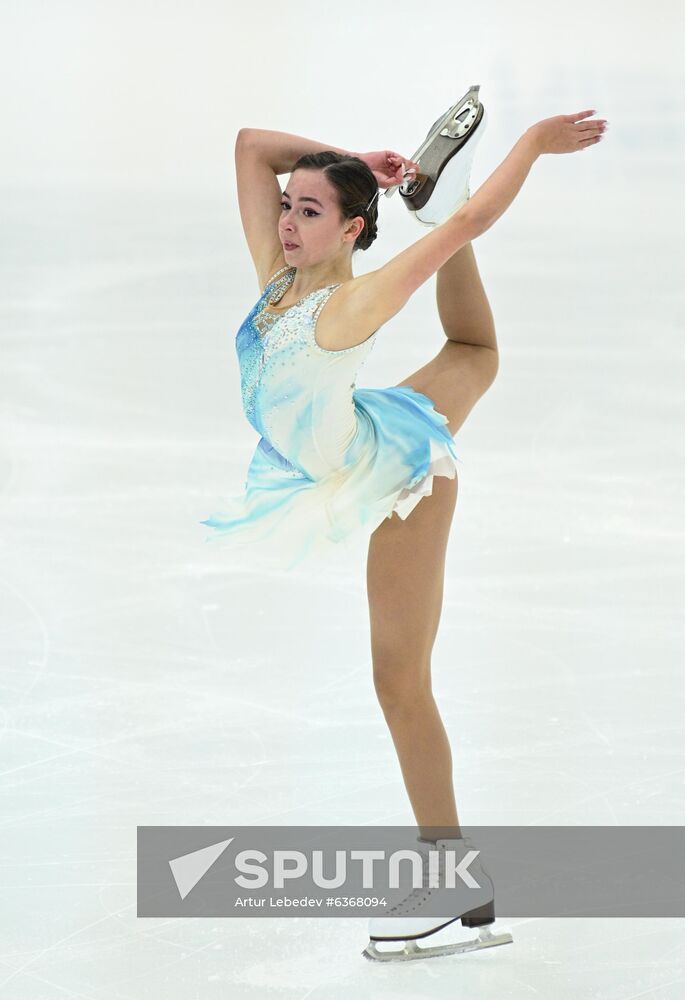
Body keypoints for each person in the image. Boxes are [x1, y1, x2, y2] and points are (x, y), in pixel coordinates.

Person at [201, 93, 607, 959]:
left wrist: (532, 143)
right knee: (473, 355)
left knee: (398, 684)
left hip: (398, 481)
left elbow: (471, 221)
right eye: (286, 206)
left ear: (350, 233)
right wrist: (357, 166)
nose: (286, 221)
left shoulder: (348, 306)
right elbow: (251, 146)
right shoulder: (277, 284)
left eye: (310, 212)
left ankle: (457, 891)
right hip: (361, 428)